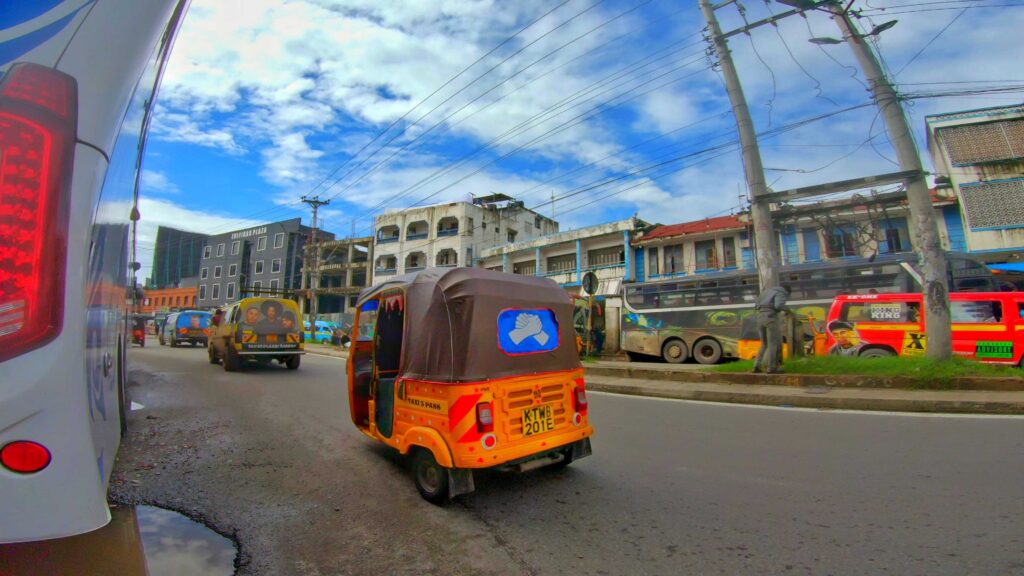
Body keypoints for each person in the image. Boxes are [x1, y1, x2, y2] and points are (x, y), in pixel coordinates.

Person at [752, 283, 791, 374]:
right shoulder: (780, 293)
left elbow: (756, 306)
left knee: (764, 344)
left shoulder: (765, 292)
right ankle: (772, 368)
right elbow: (778, 306)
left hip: (760, 318)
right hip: (770, 319)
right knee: (773, 344)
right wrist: (788, 310)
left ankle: (756, 366)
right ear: (787, 291)